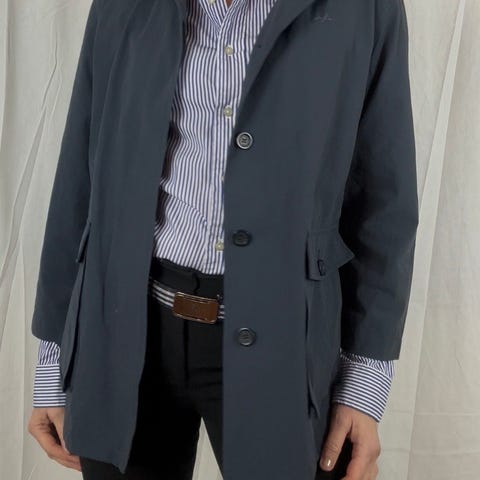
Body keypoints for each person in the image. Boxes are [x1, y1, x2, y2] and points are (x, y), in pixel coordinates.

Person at [27, 0, 418, 479]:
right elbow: (80, 178)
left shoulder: (365, 9)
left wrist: (363, 386)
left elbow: (385, 202)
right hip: (123, 334)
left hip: (286, 346)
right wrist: (55, 360)